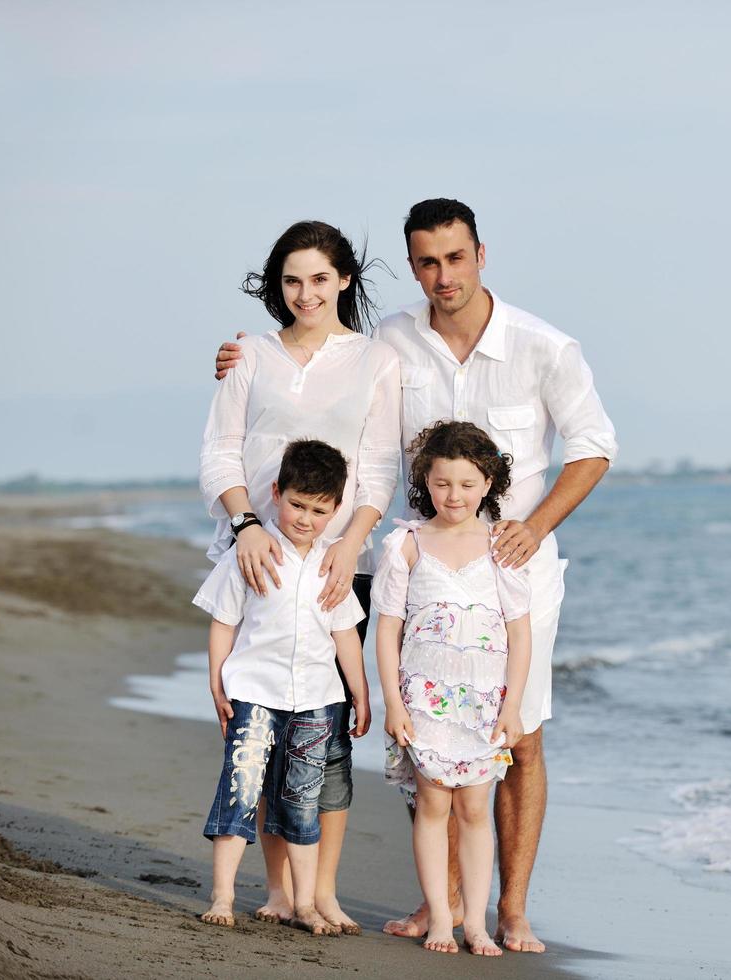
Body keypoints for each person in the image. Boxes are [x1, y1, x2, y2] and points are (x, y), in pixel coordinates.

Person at [216, 198, 618, 952]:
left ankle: (512, 911)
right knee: (423, 735)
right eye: (428, 262)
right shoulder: (392, 340)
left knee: (519, 736)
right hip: (415, 567)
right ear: (412, 265)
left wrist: (532, 528)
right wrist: (244, 359)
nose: (443, 276)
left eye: (456, 258)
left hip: (512, 569)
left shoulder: (544, 346)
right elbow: (323, 367)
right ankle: (445, 905)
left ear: (481, 254)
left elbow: (594, 446)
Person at [200, 219, 400, 934]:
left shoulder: (376, 360)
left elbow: (378, 466)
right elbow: (221, 453)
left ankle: (324, 893)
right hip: (255, 553)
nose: (305, 293)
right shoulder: (249, 355)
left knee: (324, 734)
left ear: (344, 278)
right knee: (262, 722)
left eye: (319, 278)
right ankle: (280, 890)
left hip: (341, 561)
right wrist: (246, 526)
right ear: (276, 286)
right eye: (291, 280)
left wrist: (352, 543)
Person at [194, 439, 372, 935]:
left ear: (336, 510)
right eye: (296, 504)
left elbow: (344, 637)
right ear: (275, 493)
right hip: (253, 691)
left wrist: (359, 692)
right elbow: (224, 622)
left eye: (319, 510)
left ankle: (308, 903)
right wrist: (216, 678)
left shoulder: (331, 565)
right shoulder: (249, 555)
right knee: (242, 788)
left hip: (317, 699)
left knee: (302, 798)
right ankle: (223, 894)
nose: (305, 518)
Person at [371, 421, 531, 956]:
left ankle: (478, 925)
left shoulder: (500, 546)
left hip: (485, 706)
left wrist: (513, 707)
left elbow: (519, 631)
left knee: (476, 812)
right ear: (425, 481)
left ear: (487, 483)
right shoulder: (406, 544)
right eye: (442, 484)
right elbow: (388, 626)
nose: (454, 496)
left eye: (466, 484)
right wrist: (393, 702)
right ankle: (441, 916)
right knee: (432, 808)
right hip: (423, 700)